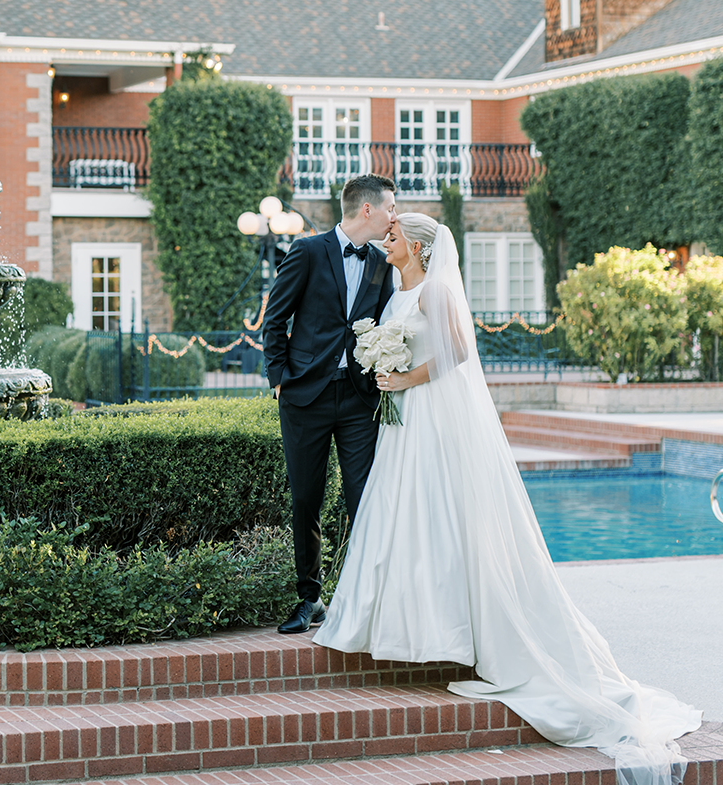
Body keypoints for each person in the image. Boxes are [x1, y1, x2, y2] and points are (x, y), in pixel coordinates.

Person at [314, 213, 701, 785]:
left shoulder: (439, 288)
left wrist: (402, 379)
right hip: (402, 424)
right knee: (400, 518)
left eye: (392, 237)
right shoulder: (399, 288)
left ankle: (452, 630)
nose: (384, 242)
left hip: (430, 419)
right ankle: (400, 624)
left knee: (440, 517)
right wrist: (382, 366)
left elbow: (458, 354)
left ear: (417, 247)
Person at [263, 174, 396, 634]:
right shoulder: (306, 250)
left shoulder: (382, 263)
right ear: (367, 210)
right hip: (305, 398)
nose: (392, 216)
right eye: (389, 208)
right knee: (306, 498)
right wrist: (279, 379)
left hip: (360, 400)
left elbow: (383, 327)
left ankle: (358, 600)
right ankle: (309, 598)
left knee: (364, 500)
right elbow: (275, 318)